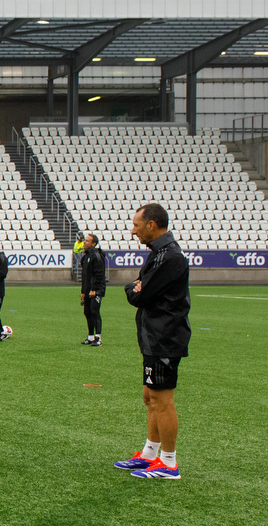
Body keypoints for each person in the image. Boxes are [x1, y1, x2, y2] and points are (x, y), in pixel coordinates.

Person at [115, 204, 190, 480]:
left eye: (136, 225)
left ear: (151, 225)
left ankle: (169, 463)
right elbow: (137, 287)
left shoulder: (169, 257)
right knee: (150, 396)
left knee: (162, 399)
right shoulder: (159, 254)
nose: (132, 230)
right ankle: (149, 455)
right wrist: (135, 287)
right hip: (154, 336)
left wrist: (135, 289)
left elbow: (138, 294)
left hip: (165, 337)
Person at [79, 233, 106, 346]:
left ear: (93, 244)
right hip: (88, 289)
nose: (84, 242)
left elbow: (99, 275)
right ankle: (90, 337)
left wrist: (94, 289)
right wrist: (83, 291)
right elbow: (85, 276)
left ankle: (98, 338)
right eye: (85, 240)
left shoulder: (96, 256)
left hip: (96, 290)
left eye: (87, 241)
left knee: (95, 312)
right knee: (87, 312)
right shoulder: (86, 256)